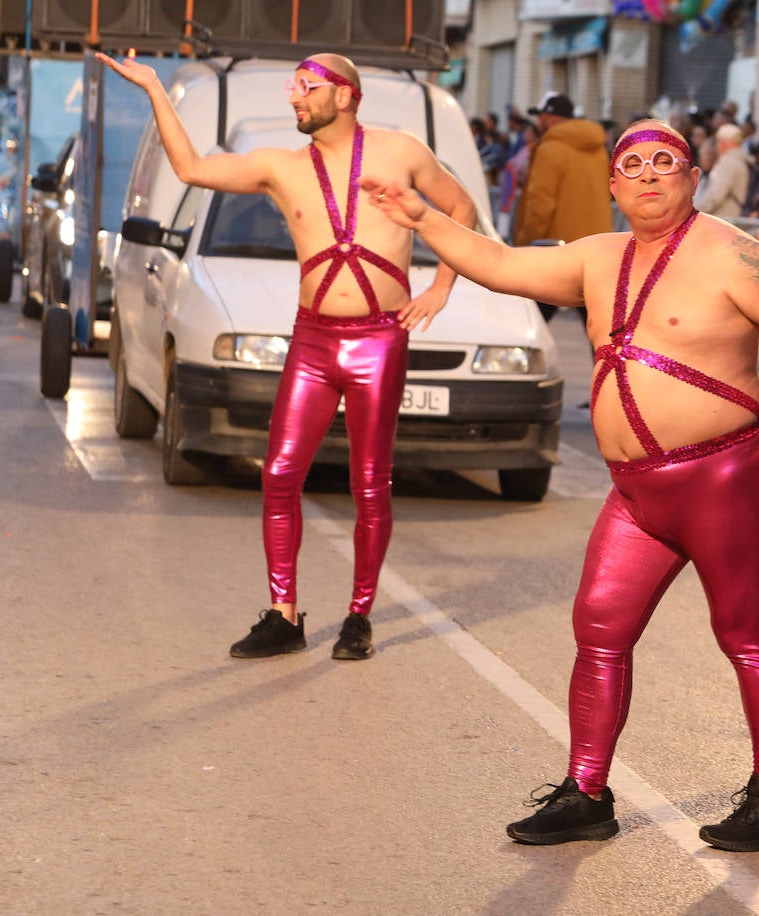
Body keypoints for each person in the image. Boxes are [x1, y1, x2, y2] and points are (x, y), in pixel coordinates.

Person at [363, 118, 759, 851]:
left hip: (724, 476)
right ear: (613, 185)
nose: (648, 173)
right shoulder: (597, 257)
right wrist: (422, 218)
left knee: (742, 632)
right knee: (599, 628)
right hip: (636, 492)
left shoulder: (735, 255)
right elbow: (502, 263)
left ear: (693, 177)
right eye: (633, 164)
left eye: (665, 161)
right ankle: (586, 791)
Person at [98, 52, 476, 660]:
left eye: (306, 85)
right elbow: (192, 167)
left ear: (344, 95)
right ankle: (284, 615)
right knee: (278, 474)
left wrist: (441, 286)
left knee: (370, 483)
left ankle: (359, 617)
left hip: (379, 340)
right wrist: (153, 89)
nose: (293, 95)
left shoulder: (402, 151)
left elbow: (461, 208)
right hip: (313, 339)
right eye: (291, 85)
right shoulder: (281, 166)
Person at [513, 92, 611, 328]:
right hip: (596, 249)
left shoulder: (550, 149)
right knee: (597, 324)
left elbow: (540, 205)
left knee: (532, 322)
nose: (538, 123)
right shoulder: (598, 149)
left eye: (541, 118)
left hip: (557, 250)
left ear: (552, 119)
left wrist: (526, 245)